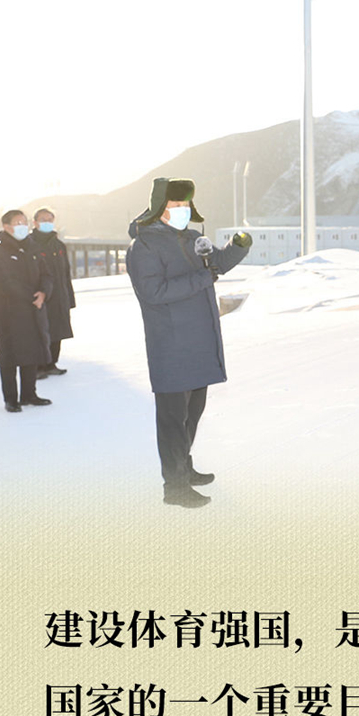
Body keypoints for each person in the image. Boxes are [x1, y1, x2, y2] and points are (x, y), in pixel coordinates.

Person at [126, 178, 252, 508]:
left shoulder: (193, 238)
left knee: (192, 414)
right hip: (171, 345)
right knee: (172, 420)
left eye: (186, 204)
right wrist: (201, 278)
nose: (183, 210)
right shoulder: (144, 246)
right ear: (159, 207)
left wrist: (237, 247)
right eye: (176, 205)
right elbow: (153, 292)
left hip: (199, 340)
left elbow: (215, 265)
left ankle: (185, 467)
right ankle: (175, 487)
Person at [0, 209, 52, 411]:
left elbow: (46, 274)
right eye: (18, 223)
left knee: (31, 351)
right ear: (6, 227)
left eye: (24, 222)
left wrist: (43, 293)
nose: (23, 226)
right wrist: (32, 298)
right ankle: (11, 399)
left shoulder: (32, 247)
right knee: (9, 355)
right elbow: (5, 283)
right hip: (10, 313)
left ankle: (29, 394)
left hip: (33, 309)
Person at [29, 207, 75, 377]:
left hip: (59, 295)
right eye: (43, 220)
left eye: (50, 220)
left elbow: (66, 274)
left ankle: (51, 364)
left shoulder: (59, 245)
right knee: (40, 331)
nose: (47, 223)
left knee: (58, 331)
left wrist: (70, 298)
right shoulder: (30, 244)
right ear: (35, 223)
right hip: (41, 296)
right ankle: (38, 366)